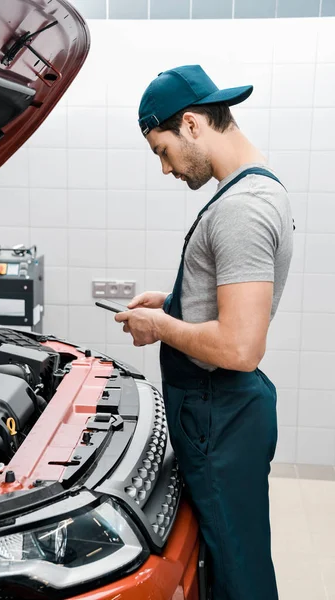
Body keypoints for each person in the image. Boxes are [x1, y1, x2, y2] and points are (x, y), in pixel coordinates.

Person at [115, 65, 293, 600]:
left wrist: (162, 326)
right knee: (225, 554)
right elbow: (230, 305)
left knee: (239, 572)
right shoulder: (256, 188)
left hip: (222, 414)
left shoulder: (239, 209)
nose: (166, 170)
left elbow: (240, 346)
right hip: (222, 413)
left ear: (191, 124)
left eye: (162, 151)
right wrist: (171, 304)